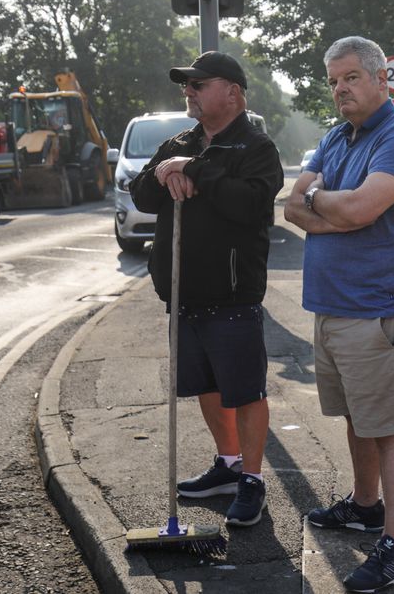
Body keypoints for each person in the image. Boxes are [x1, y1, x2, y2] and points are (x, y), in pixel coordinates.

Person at [283, 36, 394, 591]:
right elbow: (294, 205)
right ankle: (366, 505)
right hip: (331, 307)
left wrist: (328, 202)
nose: (340, 89)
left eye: (350, 77)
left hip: (373, 313)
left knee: (391, 427)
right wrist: (333, 208)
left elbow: (362, 208)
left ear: (380, 79)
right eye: (333, 81)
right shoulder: (336, 136)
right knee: (357, 418)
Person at [130, 51, 284, 527]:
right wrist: (162, 172)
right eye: (187, 86)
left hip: (233, 294)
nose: (189, 92)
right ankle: (227, 464)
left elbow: (252, 204)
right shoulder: (180, 140)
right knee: (206, 387)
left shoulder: (255, 147)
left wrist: (194, 169)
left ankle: (252, 480)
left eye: (199, 84)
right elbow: (140, 194)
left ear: (232, 92)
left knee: (245, 391)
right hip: (183, 294)